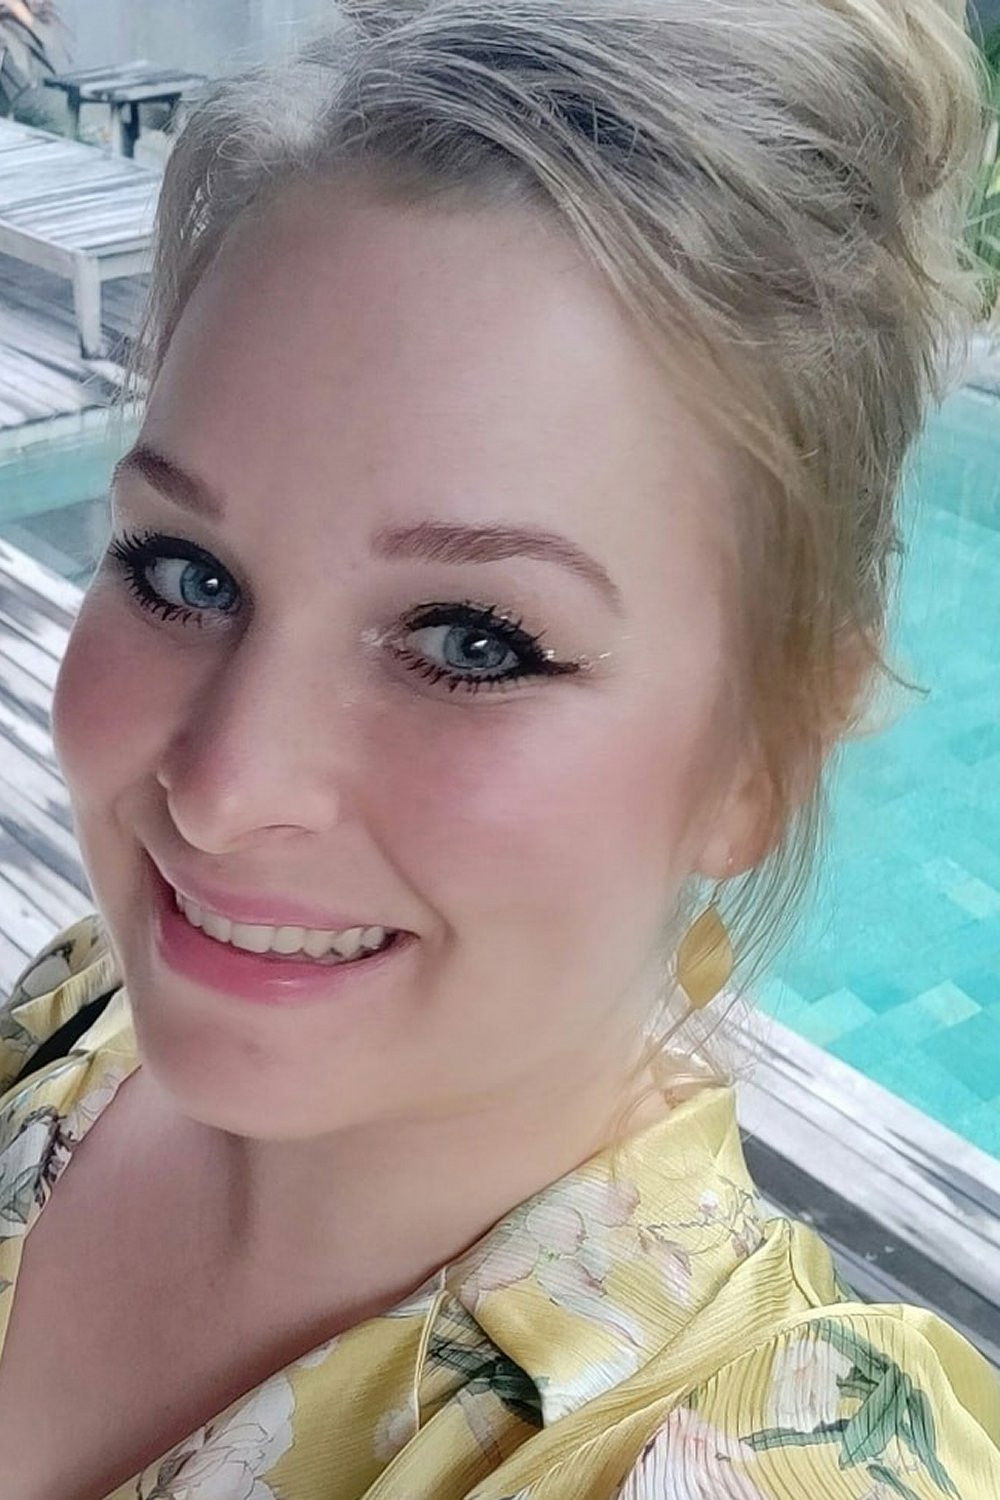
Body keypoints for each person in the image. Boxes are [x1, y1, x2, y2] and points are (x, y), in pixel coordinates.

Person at [1, 1, 998, 1495]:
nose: (219, 794)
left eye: (473, 641)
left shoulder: (759, 1459)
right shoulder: (84, 1015)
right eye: (185, 571)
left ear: (764, 752)